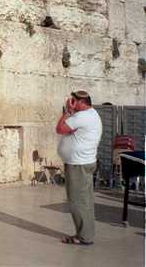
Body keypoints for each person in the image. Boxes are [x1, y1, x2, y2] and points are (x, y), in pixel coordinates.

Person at [56, 90, 102, 245]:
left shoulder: (81, 117)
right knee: (85, 200)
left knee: (76, 201)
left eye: (74, 101)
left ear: (82, 102)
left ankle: (83, 237)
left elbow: (60, 128)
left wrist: (68, 111)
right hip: (84, 162)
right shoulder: (91, 114)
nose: (71, 102)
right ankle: (86, 233)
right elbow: (72, 130)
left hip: (78, 165)